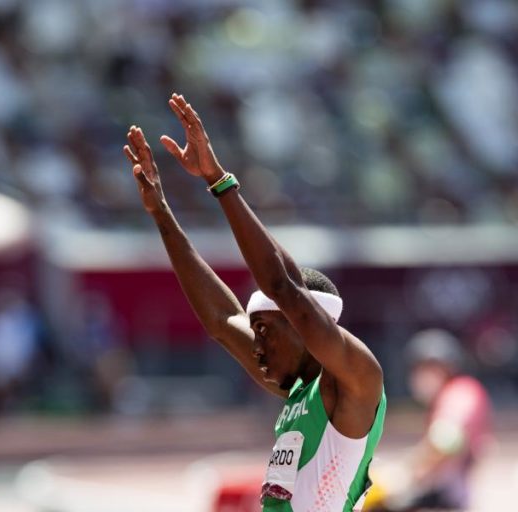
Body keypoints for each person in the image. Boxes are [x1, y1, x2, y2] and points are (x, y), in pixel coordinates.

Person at [124, 93, 386, 512]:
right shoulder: (300, 390)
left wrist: (218, 180)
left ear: (302, 325)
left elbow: (284, 287)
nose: (256, 345)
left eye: (264, 331)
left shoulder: (356, 380)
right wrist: (161, 213)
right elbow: (222, 319)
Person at [370, 329, 491, 511]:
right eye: (418, 370)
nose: (421, 376)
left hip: (446, 499)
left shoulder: (460, 392)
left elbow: (446, 440)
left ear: (448, 368)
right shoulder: (449, 395)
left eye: (428, 368)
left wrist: (404, 473)